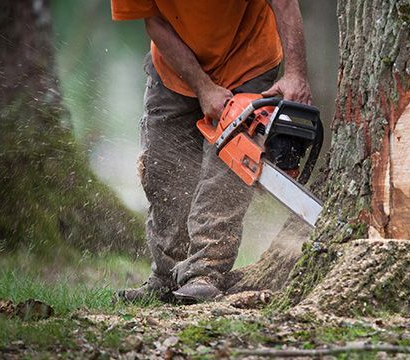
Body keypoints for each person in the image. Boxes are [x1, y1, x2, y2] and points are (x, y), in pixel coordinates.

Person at [110, 0, 311, 303]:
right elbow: (154, 22)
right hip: (173, 66)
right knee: (163, 169)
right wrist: (203, 87)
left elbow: (283, 2)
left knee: (226, 173)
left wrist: (296, 74)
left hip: (248, 57)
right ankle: (166, 274)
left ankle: (204, 272)